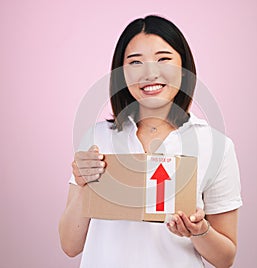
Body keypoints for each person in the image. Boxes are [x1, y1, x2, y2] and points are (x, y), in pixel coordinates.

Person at [59, 15, 242, 268]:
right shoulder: (97, 138)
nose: (150, 73)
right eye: (135, 62)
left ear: (184, 67)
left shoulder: (215, 145)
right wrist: (82, 186)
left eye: (164, 59)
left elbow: (225, 258)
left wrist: (199, 231)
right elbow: (70, 246)